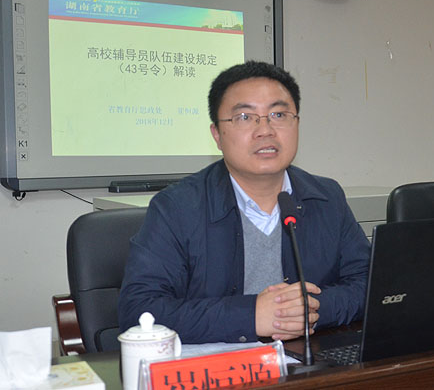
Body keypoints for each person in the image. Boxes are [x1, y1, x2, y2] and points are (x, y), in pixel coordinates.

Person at [118, 61, 370, 344]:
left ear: (297, 123)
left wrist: (310, 310)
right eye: (245, 117)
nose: (265, 130)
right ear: (217, 135)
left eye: (278, 114)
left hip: (307, 359)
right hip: (221, 366)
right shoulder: (176, 207)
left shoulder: (326, 197)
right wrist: (250, 316)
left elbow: (371, 284)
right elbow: (139, 310)